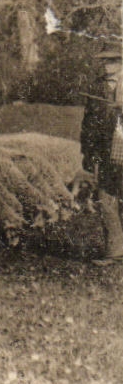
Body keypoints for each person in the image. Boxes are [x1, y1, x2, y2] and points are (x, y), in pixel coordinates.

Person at [79, 44, 123, 263]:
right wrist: (88, 152)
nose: (107, 65)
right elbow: (88, 121)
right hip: (105, 149)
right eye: (104, 61)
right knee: (106, 198)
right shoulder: (97, 87)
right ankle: (115, 251)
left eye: (112, 60)